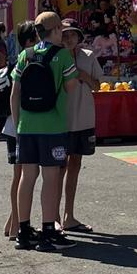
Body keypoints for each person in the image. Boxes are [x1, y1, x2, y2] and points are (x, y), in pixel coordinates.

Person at [10, 11, 79, 252]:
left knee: (27, 177)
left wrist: (18, 125)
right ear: (57, 30)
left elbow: (14, 93)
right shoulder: (63, 57)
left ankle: (24, 230)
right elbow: (71, 88)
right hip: (52, 126)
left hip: (26, 126)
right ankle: (49, 230)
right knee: (50, 177)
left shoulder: (25, 55)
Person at [60, 20, 103, 234]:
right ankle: (54, 217)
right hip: (60, 120)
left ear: (78, 37)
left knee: (75, 165)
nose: (68, 39)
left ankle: (69, 215)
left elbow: (98, 86)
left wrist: (83, 75)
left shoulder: (88, 56)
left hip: (83, 118)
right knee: (58, 168)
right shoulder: (55, 56)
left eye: (72, 35)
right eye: (64, 34)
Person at [3, 22, 40, 239]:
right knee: (20, 176)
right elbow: (15, 96)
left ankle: (13, 221)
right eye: (36, 37)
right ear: (29, 41)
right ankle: (16, 223)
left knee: (19, 176)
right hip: (17, 125)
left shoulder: (17, 60)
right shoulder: (24, 61)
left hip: (14, 126)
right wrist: (18, 127)